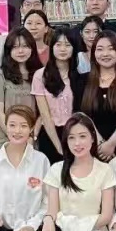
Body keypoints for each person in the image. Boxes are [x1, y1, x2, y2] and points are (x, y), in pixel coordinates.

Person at [38, 113, 116, 231]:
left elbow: (106, 215)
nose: (77, 143)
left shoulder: (105, 170)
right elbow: (52, 210)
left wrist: (78, 228)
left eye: (82, 136)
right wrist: (48, 219)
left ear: (92, 138)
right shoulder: (57, 169)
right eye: (71, 138)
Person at [80, 30, 116, 160]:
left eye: (111, 49)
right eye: (100, 49)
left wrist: (112, 143)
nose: (105, 54)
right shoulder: (82, 80)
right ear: (93, 53)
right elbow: (80, 114)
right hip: (91, 149)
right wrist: (100, 142)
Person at [31, 28, 82, 163]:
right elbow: (45, 114)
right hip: (49, 134)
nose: (63, 49)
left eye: (67, 45)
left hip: (75, 133)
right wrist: (59, 146)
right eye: (58, 45)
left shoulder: (79, 76)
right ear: (52, 48)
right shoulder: (41, 75)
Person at [0, 28, 42, 151]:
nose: (20, 51)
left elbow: (43, 112)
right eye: (15, 47)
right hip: (4, 141)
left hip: (30, 140)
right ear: (9, 50)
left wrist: (31, 135)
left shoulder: (40, 75)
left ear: (32, 48)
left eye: (25, 46)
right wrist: (14, 135)